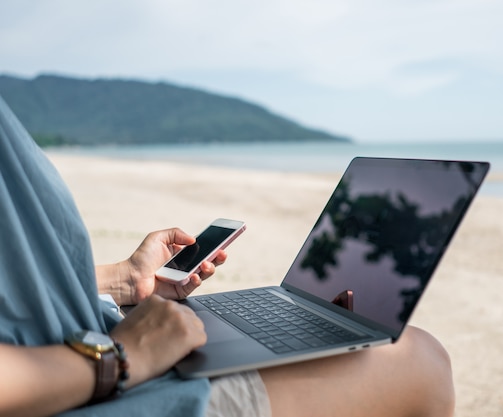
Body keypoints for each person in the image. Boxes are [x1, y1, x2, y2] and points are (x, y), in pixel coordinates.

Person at [0, 96, 454, 417]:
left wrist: (122, 280)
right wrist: (121, 357)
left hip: (82, 350)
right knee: (421, 361)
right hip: (74, 384)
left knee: (332, 340)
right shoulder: (115, 360)